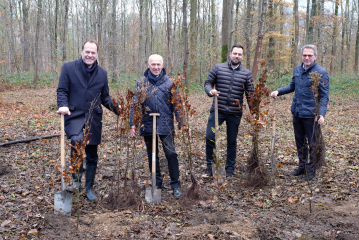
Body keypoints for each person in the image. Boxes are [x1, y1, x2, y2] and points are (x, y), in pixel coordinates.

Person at [57, 40, 120, 201]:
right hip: (74, 115)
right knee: (76, 141)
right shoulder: (69, 68)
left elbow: (105, 97)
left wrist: (118, 109)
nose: (90, 55)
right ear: (81, 51)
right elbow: (62, 90)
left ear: (97, 54)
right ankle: (76, 181)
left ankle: (89, 188)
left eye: (93, 52)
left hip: (94, 118)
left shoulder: (102, 73)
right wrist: (63, 105)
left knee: (92, 153)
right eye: (87, 52)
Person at [271, 44, 329, 181]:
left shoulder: (321, 72)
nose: (307, 58)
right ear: (301, 56)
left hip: (311, 115)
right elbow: (292, 86)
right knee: (300, 142)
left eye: (310, 55)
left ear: (315, 56)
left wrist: (321, 114)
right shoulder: (298, 69)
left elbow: (324, 96)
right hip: (297, 112)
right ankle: (302, 167)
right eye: (304, 55)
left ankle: (311, 170)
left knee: (313, 143)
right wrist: (278, 91)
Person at [130, 54, 182, 198]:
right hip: (147, 123)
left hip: (166, 123)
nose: (156, 67)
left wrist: (181, 122)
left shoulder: (170, 82)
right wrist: (132, 123)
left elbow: (177, 103)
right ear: (148, 65)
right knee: (152, 155)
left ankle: (175, 184)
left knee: (171, 153)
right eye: (153, 64)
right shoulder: (141, 82)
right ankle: (157, 183)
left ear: (162, 65)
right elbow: (135, 104)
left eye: (158, 64)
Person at [204, 44, 254, 178]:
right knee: (210, 137)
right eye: (235, 53)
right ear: (230, 54)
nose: (237, 56)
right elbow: (208, 83)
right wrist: (210, 91)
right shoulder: (218, 68)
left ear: (242, 56)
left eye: (240, 54)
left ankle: (229, 169)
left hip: (235, 113)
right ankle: (210, 166)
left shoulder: (246, 73)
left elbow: (250, 95)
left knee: (231, 141)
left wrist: (254, 113)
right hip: (217, 110)